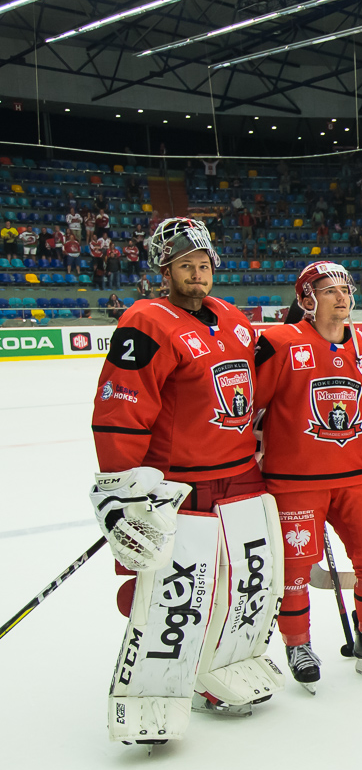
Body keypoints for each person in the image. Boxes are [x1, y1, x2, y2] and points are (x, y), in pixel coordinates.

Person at [89, 218, 280, 741]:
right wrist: (125, 491)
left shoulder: (232, 317)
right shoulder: (145, 322)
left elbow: (258, 387)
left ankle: (215, 669)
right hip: (181, 482)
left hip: (240, 476)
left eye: (203, 265)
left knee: (242, 583)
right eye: (185, 266)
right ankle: (163, 677)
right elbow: (120, 410)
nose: (197, 274)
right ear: (165, 271)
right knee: (174, 589)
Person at [255, 260, 362, 684]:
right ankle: (298, 643)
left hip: (355, 474)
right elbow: (250, 407)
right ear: (307, 299)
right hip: (294, 479)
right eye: (329, 291)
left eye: (345, 290)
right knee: (294, 567)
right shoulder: (280, 343)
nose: (342, 297)